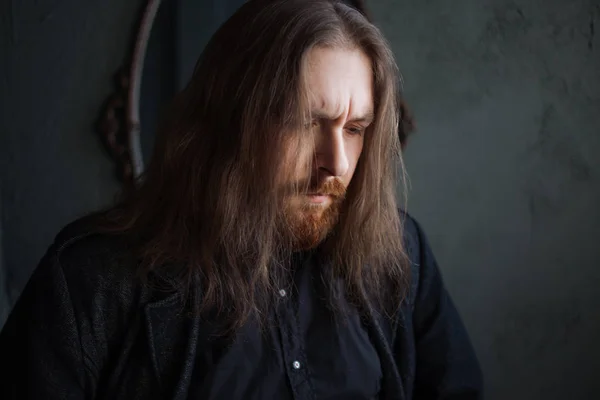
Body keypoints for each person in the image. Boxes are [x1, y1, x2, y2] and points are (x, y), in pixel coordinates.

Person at [0, 0, 483, 398]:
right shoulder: (91, 280)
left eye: (354, 129)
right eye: (305, 123)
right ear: (229, 122)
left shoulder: (402, 254)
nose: (336, 164)